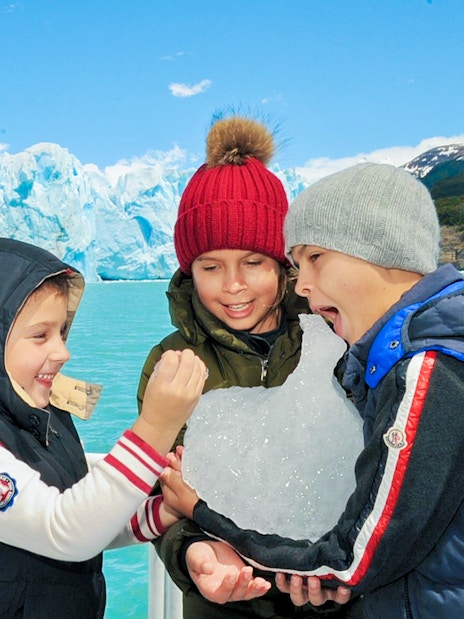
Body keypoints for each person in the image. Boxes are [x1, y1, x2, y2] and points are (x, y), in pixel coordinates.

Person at [162, 161, 464, 618]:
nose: (301, 284)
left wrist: (205, 514)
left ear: (382, 250)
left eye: (314, 258)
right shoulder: (390, 357)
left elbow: (352, 559)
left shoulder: (419, 369)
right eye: (209, 265)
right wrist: (191, 546)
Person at [138, 116, 363, 618]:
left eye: (254, 263)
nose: (233, 286)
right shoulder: (172, 362)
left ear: (284, 264)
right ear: (187, 270)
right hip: (223, 604)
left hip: (337, 599)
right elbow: (160, 491)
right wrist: (193, 552)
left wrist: (348, 566)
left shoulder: (339, 342)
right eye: (211, 267)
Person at [0, 237, 206, 618]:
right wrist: (157, 426)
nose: (63, 352)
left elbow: (88, 516)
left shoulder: (44, 419)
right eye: (40, 335)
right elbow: (65, 530)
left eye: (62, 332)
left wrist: (159, 512)